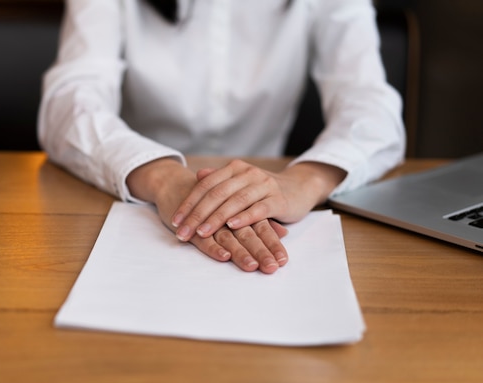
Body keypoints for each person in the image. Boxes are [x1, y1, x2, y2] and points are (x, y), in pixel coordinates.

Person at [38, 0, 405, 274]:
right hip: (139, 199)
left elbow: (372, 105)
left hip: (270, 203)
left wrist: (304, 182)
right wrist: (163, 178)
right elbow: (70, 101)